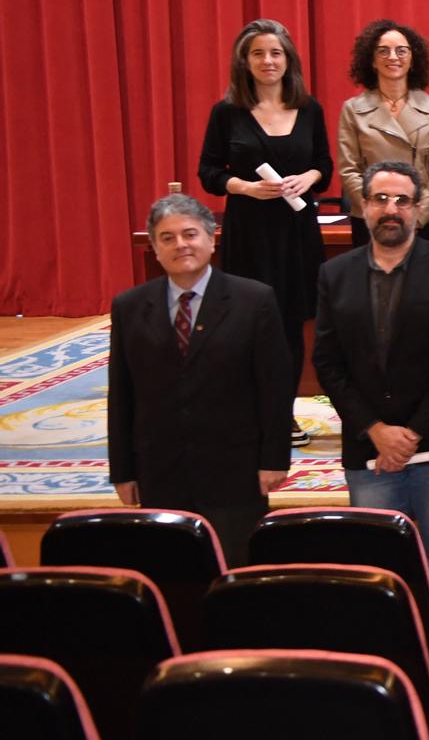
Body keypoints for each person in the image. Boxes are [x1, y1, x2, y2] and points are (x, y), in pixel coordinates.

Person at [313, 160, 429, 613]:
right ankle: (392, 654)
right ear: (362, 206)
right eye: (380, 199)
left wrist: (410, 434)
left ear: (418, 208)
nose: (391, 209)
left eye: (402, 200)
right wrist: (375, 430)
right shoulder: (335, 274)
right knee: (377, 564)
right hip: (368, 449)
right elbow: (328, 363)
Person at [107, 194, 292, 565]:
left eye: (190, 234)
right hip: (161, 473)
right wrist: (123, 470)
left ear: (211, 239)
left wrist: (274, 459)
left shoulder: (253, 300)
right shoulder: (129, 306)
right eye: (167, 237)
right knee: (173, 576)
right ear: (155, 248)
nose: (181, 245)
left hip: (235, 473)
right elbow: (122, 395)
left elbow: (274, 387)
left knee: (235, 574)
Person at [198, 18, 333, 445]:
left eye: (275, 52)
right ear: (245, 60)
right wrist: (246, 188)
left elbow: (325, 167)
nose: (268, 61)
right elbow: (209, 172)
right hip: (249, 230)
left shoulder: (310, 108)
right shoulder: (227, 112)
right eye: (258, 53)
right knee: (248, 322)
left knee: (291, 324)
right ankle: (248, 409)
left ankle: (284, 412)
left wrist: (307, 179)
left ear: (288, 58)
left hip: (296, 231)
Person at [337, 19, 429, 248]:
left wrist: (417, 214)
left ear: (412, 59)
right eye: (383, 51)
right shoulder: (352, 109)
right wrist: (380, 209)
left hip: (424, 220)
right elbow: (349, 170)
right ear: (371, 60)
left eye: (401, 51)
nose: (393, 57)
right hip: (373, 221)